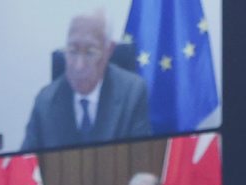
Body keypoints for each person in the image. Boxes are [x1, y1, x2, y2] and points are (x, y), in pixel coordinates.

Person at [20, 10, 151, 151]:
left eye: (90, 52)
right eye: (72, 50)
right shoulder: (45, 102)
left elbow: (143, 156)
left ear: (108, 50)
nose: (79, 66)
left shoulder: (132, 93)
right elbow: (26, 160)